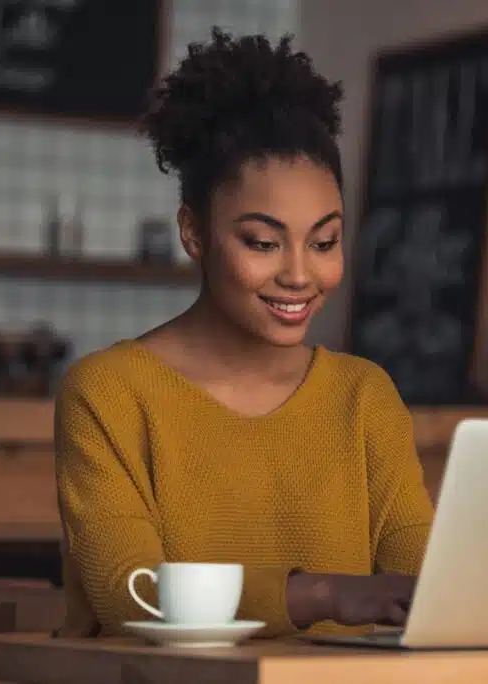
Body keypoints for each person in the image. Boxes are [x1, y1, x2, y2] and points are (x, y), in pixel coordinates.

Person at [53, 28, 434, 639]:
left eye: (324, 242)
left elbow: (424, 584)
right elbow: (130, 594)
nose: (299, 275)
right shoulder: (109, 392)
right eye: (262, 242)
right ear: (194, 233)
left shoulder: (364, 397)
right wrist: (325, 592)